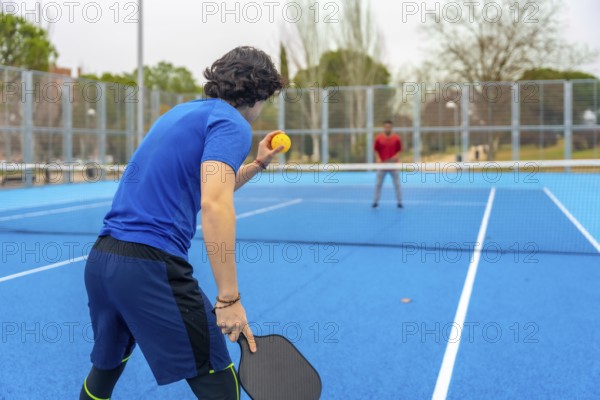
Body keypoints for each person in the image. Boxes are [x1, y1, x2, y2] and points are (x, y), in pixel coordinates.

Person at [79, 46, 283, 400]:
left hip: (103, 262)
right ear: (259, 94)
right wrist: (229, 298)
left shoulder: (179, 114)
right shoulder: (233, 124)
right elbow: (214, 203)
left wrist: (259, 164)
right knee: (220, 383)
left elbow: (208, 184)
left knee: (105, 374)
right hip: (149, 268)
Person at [372, 120, 403, 208]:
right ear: (384, 128)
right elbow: (376, 150)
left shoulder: (396, 138)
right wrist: (378, 158)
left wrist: (395, 157)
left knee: (397, 184)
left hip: (393, 166)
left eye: (389, 127)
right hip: (382, 165)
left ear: (391, 127)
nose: (387, 128)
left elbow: (399, 150)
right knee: (378, 184)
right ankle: (375, 202)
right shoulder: (379, 138)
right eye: (386, 127)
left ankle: (399, 202)